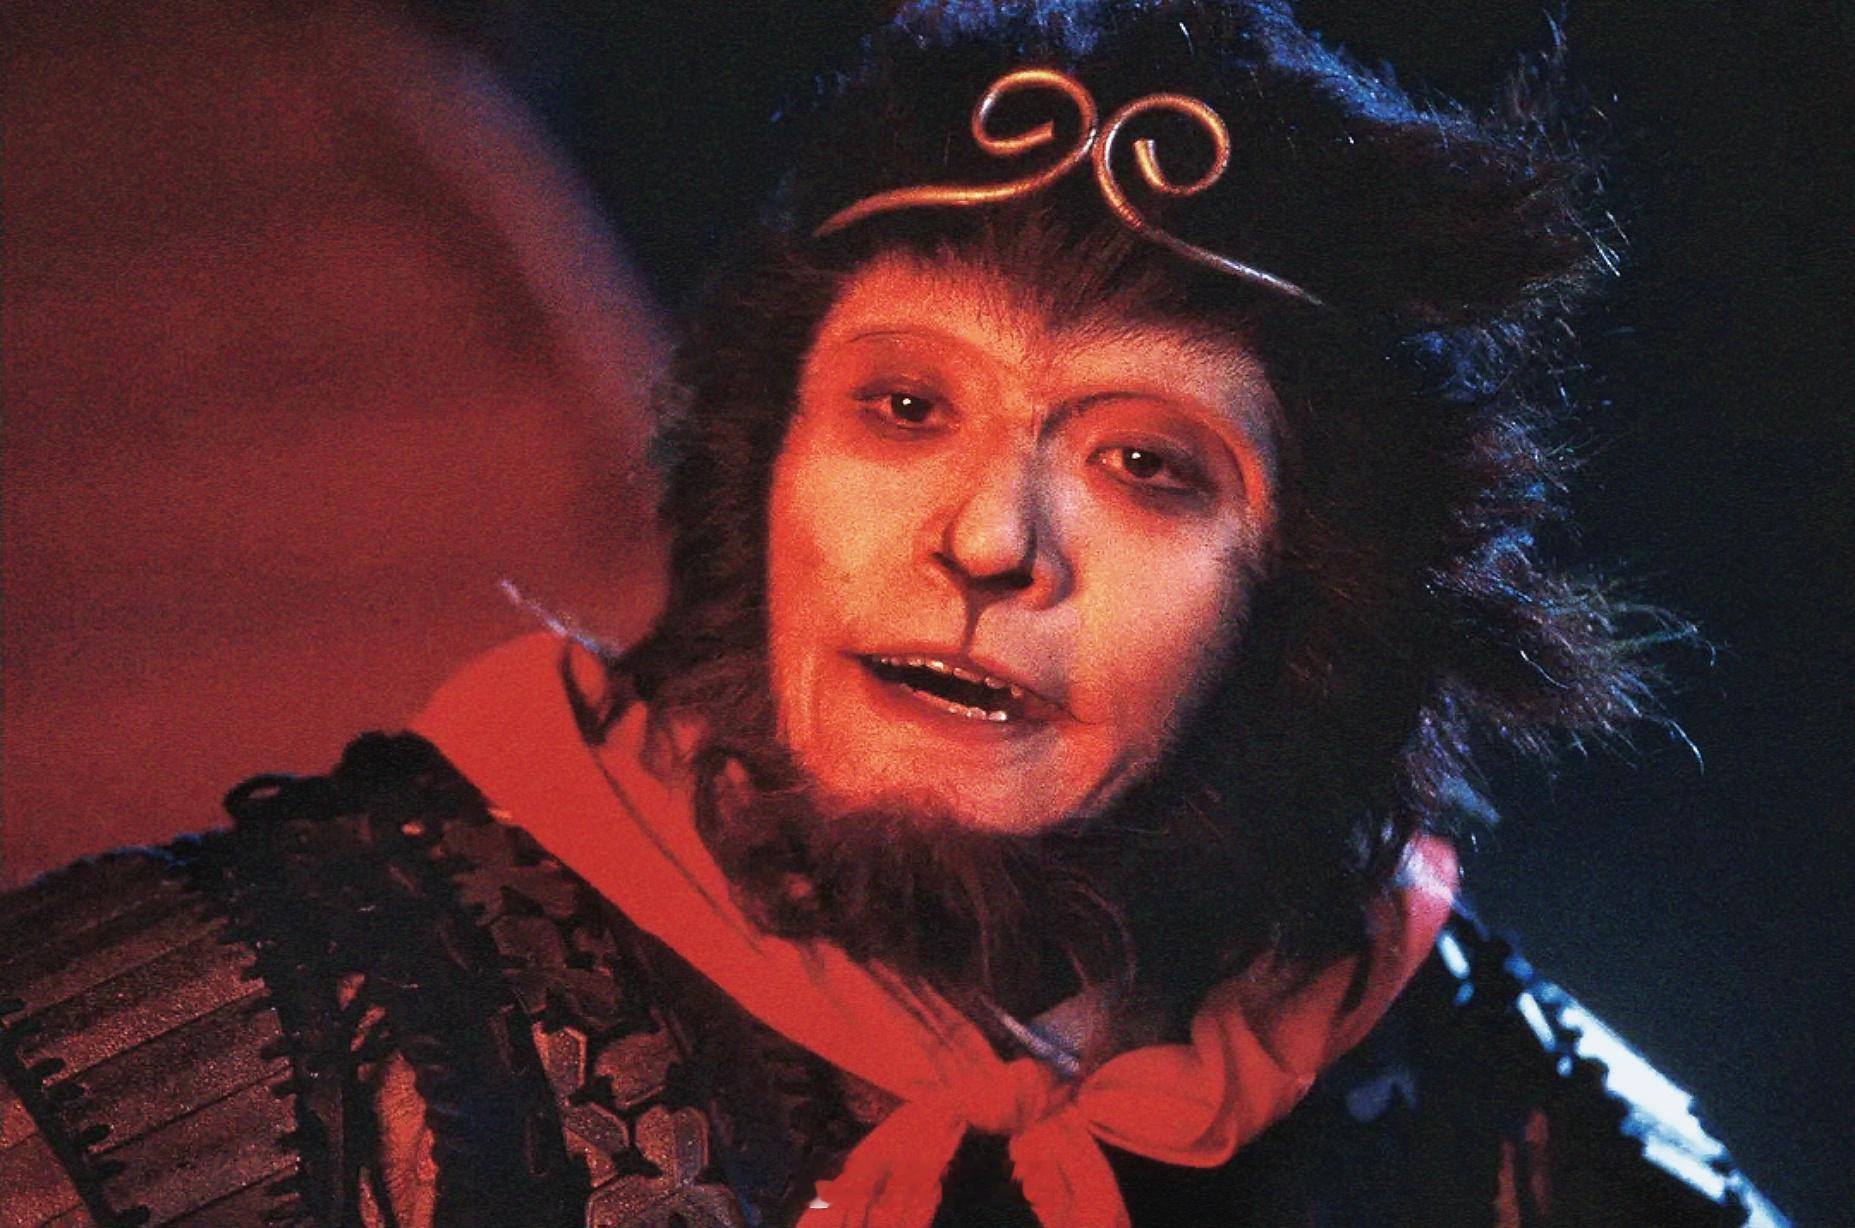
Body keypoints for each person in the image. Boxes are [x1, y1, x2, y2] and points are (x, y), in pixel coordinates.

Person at [0, 2, 1789, 1225]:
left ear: (1310, 605)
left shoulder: (1499, 1113)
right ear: (765, 470)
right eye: (906, 406)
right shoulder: (275, 1022)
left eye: (1146, 465)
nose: (991, 540)